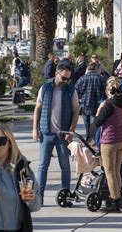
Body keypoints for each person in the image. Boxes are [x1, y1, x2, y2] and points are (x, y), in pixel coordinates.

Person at [33, 63, 79, 202]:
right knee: (42, 166)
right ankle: (39, 197)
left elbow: (76, 112)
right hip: (46, 133)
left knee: (65, 166)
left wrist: (70, 131)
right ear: (57, 73)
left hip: (62, 135)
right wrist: (35, 128)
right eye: (64, 78)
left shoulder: (71, 90)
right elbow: (38, 108)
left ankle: (65, 196)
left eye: (68, 79)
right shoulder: (45, 87)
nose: (66, 81)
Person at [91, 77, 122, 212]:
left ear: (108, 90)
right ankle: (119, 198)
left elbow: (97, 122)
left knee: (109, 172)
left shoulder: (108, 104)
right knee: (117, 171)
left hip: (109, 141)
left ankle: (114, 201)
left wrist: (99, 110)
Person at [75, 62, 106, 140]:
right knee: (95, 127)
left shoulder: (81, 79)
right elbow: (105, 92)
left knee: (87, 127)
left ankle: (88, 142)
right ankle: (93, 143)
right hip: (97, 107)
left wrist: (79, 100)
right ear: (96, 69)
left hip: (84, 106)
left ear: (87, 69)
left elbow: (75, 92)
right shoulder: (100, 79)